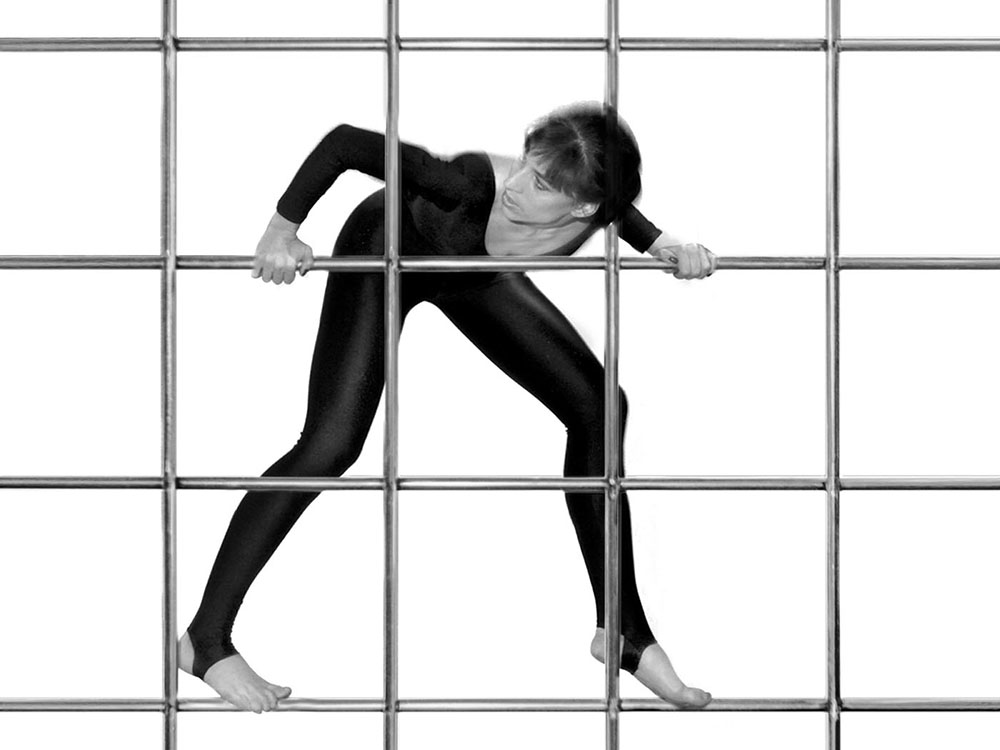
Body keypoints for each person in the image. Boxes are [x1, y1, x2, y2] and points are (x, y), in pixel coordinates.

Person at [177, 102, 717, 713]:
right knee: (330, 446)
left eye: (541, 184)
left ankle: (623, 630)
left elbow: (622, 210)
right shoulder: (464, 184)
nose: (517, 184)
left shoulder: (600, 205)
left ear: (585, 208)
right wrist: (281, 231)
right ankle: (205, 639)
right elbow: (345, 143)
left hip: (469, 270)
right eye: (527, 165)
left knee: (599, 407)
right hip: (386, 247)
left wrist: (664, 245)